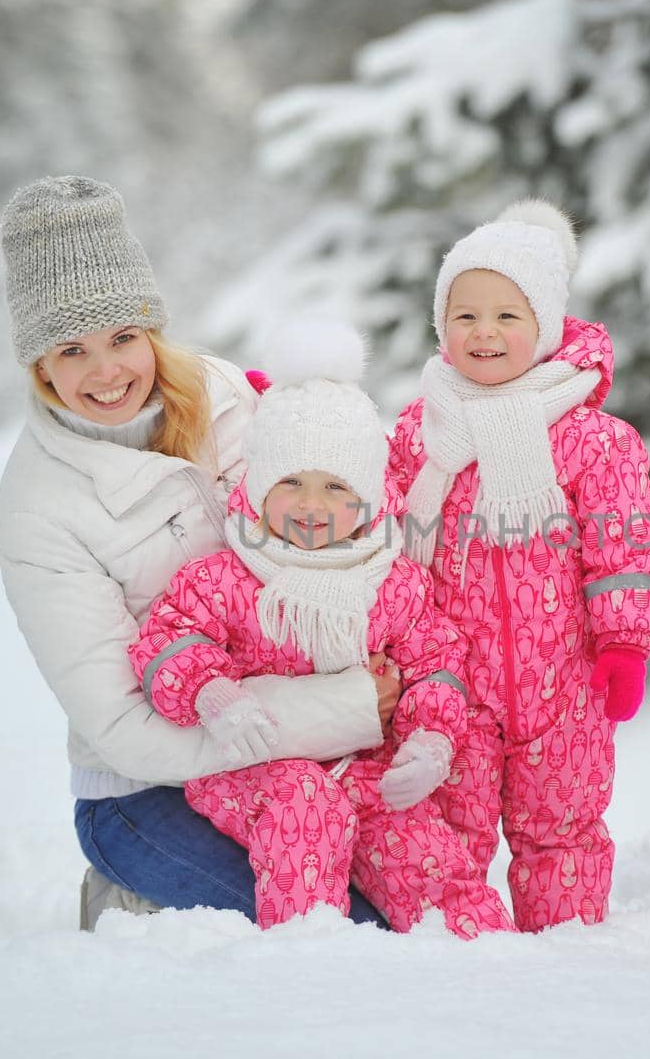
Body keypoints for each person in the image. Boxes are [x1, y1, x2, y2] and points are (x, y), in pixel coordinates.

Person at [0, 175, 397, 928]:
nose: (107, 371)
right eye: (72, 350)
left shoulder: (225, 395)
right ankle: (131, 891)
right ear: (39, 365)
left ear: (150, 327)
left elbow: (340, 510)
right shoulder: (37, 507)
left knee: (410, 899)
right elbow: (123, 726)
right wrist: (346, 707)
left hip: (295, 758)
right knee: (342, 926)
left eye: (121, 338)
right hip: (145, 792)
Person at [130, 322, 514, 939]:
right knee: (304, 806)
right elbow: (170, 641)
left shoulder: (390, 582)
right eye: (290, 484)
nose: (311, 506)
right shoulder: (225, 576)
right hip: (256, 774)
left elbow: (436, 661)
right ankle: (307, 963)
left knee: (424, 852)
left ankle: (488, 968)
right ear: (258, 488)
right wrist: (213, 693)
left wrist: (430, 740)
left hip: (365, 772)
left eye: (335, 487)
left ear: (365, 497)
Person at [387, 200, 650, 931]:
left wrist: (624, 643)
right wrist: (300, 421)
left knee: (563, 835)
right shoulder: (422, 432)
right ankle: (467, 972)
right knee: (450, 835)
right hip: (454, 687)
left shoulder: (592, 439)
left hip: (565, 685)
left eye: (507, 317)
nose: (484, 333)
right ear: (441, 327)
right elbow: (371, 512)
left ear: (543, 326)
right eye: (466, 316)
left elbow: (624, 543)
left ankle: (566, 970)